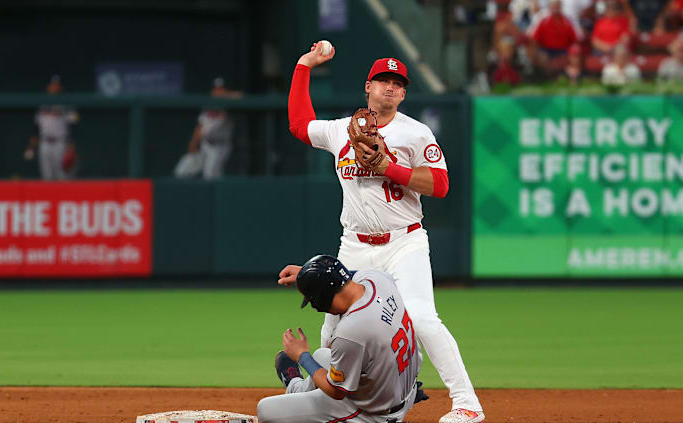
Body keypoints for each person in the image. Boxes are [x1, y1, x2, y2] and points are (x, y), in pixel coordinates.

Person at [287, 42, 485, 423]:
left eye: (398, 83)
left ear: (404, 93)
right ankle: (333, 400)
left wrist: (388, 166)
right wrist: (304, 65)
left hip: (403, 242)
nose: (390, 88)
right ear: (368, 86)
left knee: (422, 317)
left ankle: (467, 404)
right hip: (354, 244)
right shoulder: (341, 130)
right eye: (383, 81)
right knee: (333, 327)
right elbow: (299, 124)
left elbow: (440, 184)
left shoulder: (415, 132)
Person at [257, 255, 423, 423]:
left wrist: (302, 355)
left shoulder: (350, 331)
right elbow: (343, 278)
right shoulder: (377, 279)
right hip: (403, 388)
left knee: (266, 410)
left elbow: (336, 391)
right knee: (322, 356)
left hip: (372, 412)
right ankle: (296, 388)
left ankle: (294, 387)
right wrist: (308, 276)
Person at [178, 77, 241, 180]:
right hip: (205, 144)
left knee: (211, 173)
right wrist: (193, 143)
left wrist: (225, 96)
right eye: (216, 89)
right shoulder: (208, 105)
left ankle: (217, 193)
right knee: (184, 170)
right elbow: (200, 125)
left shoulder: (229, 104)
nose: (218, 91)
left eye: (221, 88)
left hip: (220, 145)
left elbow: (240, 96)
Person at [23, 75, 79, 180]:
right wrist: (31, 147)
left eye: (57, 85)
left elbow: (73, 126)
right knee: (46, 177)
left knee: (62, 177)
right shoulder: (42, 104)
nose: (55, 88)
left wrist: (71, 147)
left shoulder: (67, 104)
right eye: (52, 85)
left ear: (61, 88)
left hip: (61, 143)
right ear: (48, 87)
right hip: (44, 143)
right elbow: (36, 129)